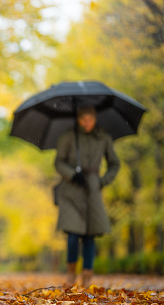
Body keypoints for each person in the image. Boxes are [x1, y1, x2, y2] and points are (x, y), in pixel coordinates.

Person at [54, 105, 120, 286]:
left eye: (90, 119)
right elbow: (58, 162)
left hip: (93, 189)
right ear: (78, 119)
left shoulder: (103, 138)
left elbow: (114, 163)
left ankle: (87, 276)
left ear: (95, 118)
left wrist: (102, 181)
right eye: (83, 119)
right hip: (71, 190)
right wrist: (72, 174)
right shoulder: (68, 137)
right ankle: (70, 274)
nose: (87, 123)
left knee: (90, 235)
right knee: (73, 234)